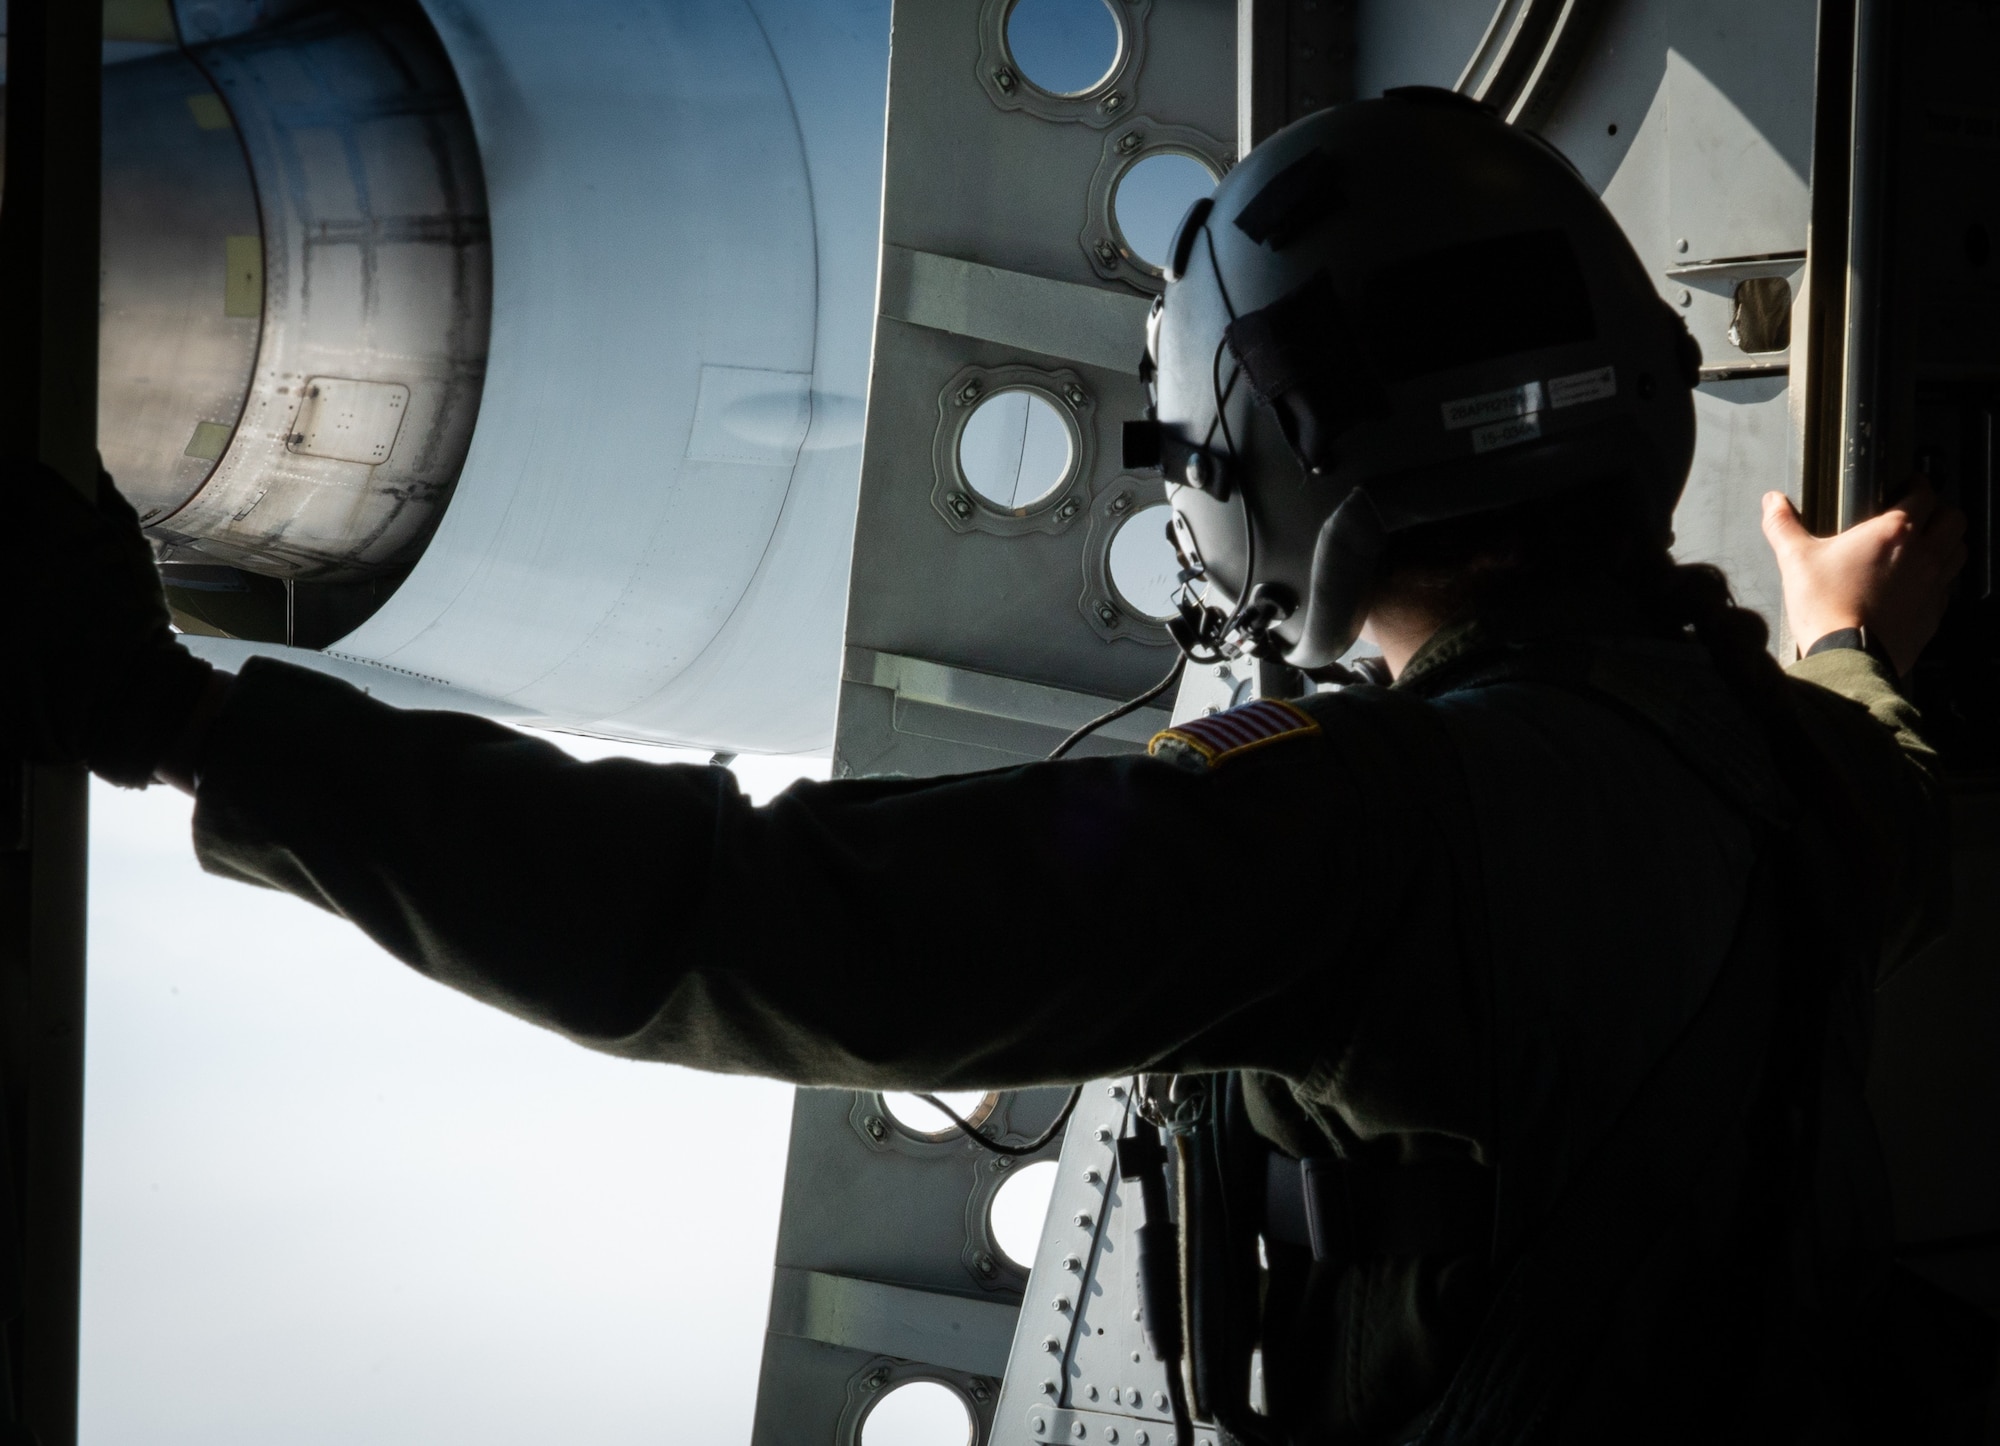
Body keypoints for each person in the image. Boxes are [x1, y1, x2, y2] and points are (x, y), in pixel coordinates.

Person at [7, 90, 1983, 1441]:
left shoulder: (1365, 833)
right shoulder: (1780, 775)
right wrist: (1822, 631)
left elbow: (752, 924)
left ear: (1270, 458)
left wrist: (183, 720)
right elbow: (1856, 771)